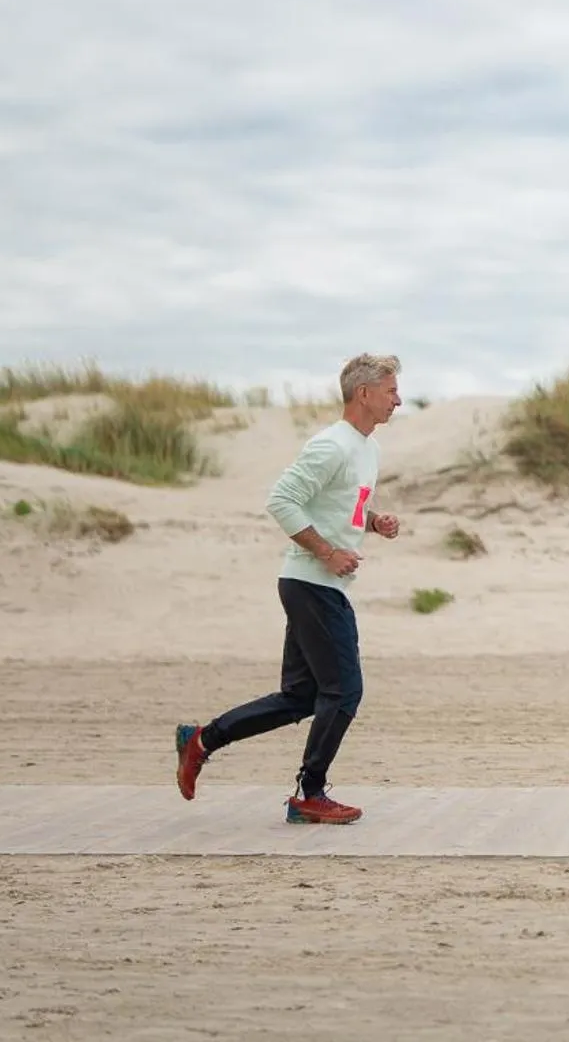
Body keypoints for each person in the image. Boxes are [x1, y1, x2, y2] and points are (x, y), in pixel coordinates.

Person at [174, 353, 404, 824]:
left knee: (301, 696)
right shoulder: (330, 445)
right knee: (343, 693)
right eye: (390, 391)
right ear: (363, 394)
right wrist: (326, 552)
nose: (398, 400)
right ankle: (310, 794)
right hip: (311, 582)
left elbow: (342, 503)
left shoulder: (367, 449)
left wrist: (373, 522)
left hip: (319, 585)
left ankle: (202, 740)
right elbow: (281, 500)